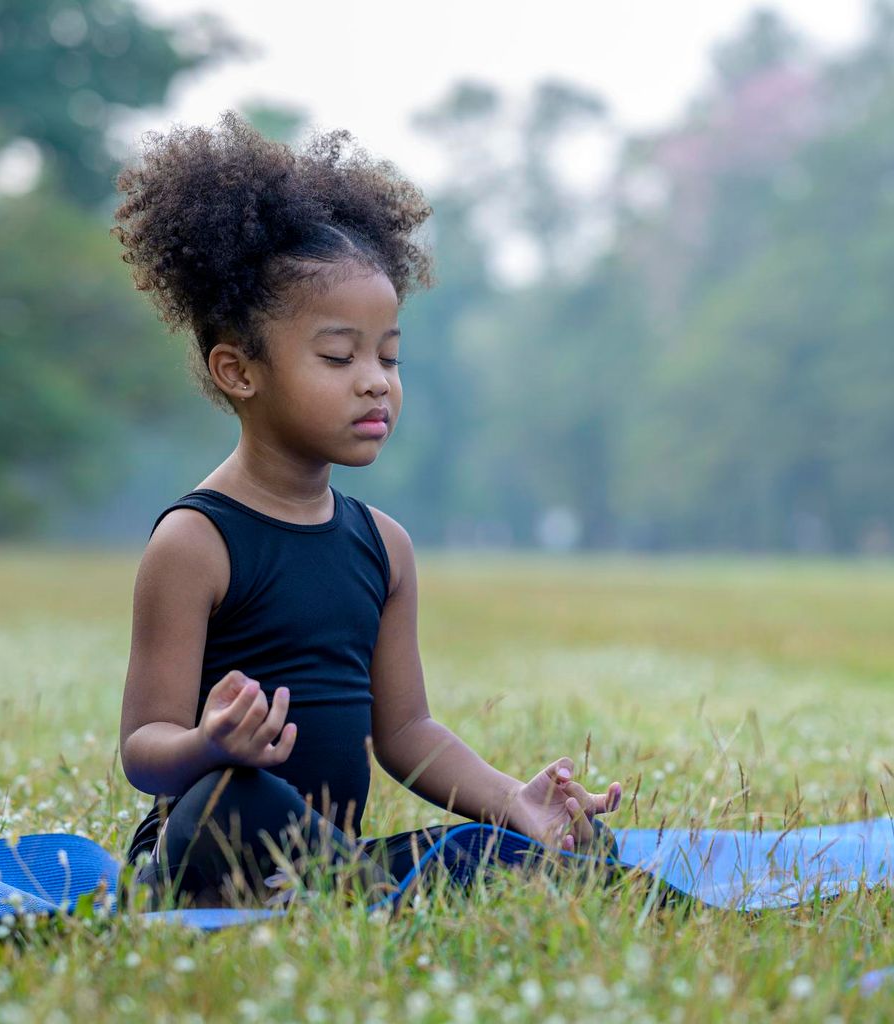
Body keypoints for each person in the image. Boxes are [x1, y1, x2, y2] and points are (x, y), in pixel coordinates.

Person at [113, 111, 623, 910]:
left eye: (390, 355)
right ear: (238, 371)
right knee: (234, 795)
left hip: (329, 854)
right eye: (339, 356)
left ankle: (344, 887)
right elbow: (144, 751)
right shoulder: (196, 541)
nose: (377, 381)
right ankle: (346, 889)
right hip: (216, 836)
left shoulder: (384, 545)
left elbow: (408, 735)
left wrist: (514, 802)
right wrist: (208, 744)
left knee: (519, 849)